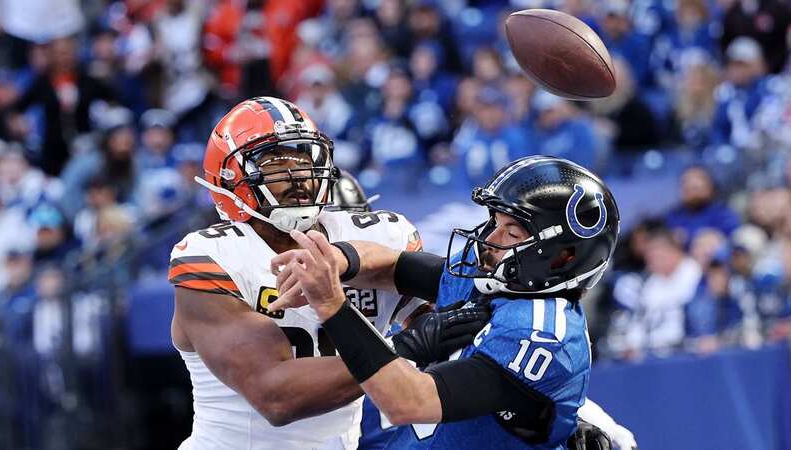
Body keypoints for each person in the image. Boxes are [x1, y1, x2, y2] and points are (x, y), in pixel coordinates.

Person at [167, 97, 487, 449]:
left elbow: (450, 320)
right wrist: (408, 347)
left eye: (303, 160)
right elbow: (275, 396)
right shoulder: (212, 255)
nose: (298, 176)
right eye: (275, 164)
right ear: (231, 180)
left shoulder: (378, 233)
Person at [270, 156, 637, 449]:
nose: (490, 238)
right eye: (493, 220)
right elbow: (396, 265)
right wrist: (340, 257)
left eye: (510, 231)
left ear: (560, 258)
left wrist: (335, 306)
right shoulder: (495, 282)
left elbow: (406, 401)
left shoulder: (541, 333)